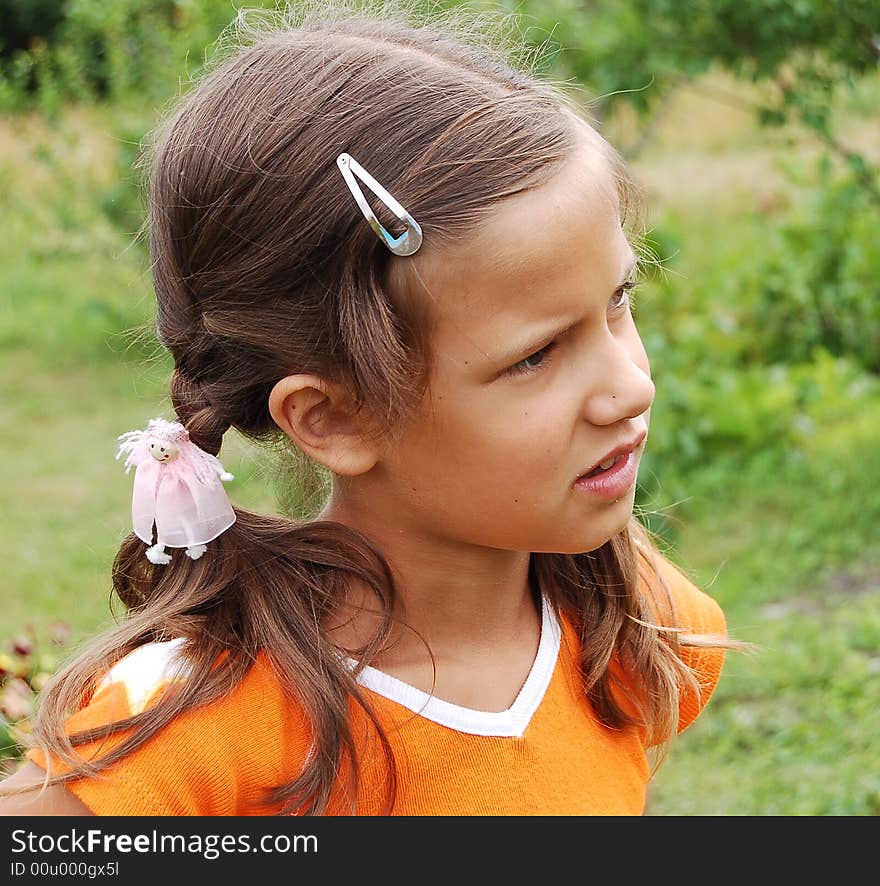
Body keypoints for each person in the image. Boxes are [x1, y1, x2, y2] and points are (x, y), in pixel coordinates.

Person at [0, 0, 736, 816]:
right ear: (334, 419)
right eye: (535, 355)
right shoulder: (203, 724)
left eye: (618, 301)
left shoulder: (633, 623)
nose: (633, 387)